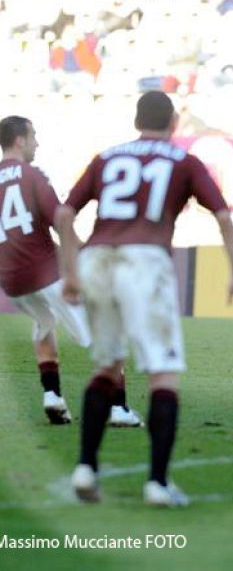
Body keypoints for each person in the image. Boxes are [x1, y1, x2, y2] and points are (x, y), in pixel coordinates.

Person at [54, 91, 233, 507]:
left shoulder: (106, 157)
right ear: (174, 123)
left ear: (136, 119)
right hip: (145, 259)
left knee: (106, 367)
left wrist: (70, 272)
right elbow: (223, 215)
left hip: (97, 258)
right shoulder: (183, 161)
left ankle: (86, 467)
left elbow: (65, 214)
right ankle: (158, 483)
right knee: (162, 374)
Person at [0, 115, 141, 428]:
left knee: (44, 323)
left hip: (12, 281)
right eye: (33, 136)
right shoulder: (32, 175)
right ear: (20, 140)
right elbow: (60, 218)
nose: (37, 143)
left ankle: (52, 395)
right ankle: (118, 408)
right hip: (47, 272)